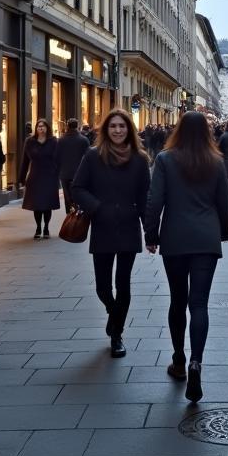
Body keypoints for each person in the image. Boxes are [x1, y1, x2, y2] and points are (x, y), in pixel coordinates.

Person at [145, 110, 228, 404]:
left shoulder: (166, 160)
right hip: (206, 239)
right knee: (199, 304)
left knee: (177, 301)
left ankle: (179, 360)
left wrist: (151, 234)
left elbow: (154, 200)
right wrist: (225, 231)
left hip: (175, 238)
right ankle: (197, 361)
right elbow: (224, 200)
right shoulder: (215, 161)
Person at [72, 109, 150, 359]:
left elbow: (144, 198)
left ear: (129, 130)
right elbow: (77, 187)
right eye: (113, 126)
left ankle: (117, 333)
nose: (118, 130)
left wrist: (150, 233)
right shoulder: (94, 156)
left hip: (128, 226)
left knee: (123, 283)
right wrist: (96, 208)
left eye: (122, 126)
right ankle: (112, 311)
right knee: (103, 286)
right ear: (106, 130)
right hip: (103, 226)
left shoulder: (139, 159)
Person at [19, 119, 61, 239]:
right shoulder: (30, 142)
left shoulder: (54, 141)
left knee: (47, 205)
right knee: (36, 204)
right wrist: (22, 178)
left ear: (47, 128)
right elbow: (25, 161)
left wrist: (57, 174)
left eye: (43, 126)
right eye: (39, 126)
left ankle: (46, 227)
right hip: (35, 176)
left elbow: (59, 159)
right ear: (36, 128)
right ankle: (38, 227)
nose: (41, 128)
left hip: (49, 176)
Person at [57, 118, 90, 213]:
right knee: (79, 195)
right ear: (77, 126)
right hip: (80, 173)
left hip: (65, 173)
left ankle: (69, 214)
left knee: (67, 197)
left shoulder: (61, 140)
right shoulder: (84, 140)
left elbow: (57, 157)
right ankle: (78, 214)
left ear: (67, 126)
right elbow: (88, 157)